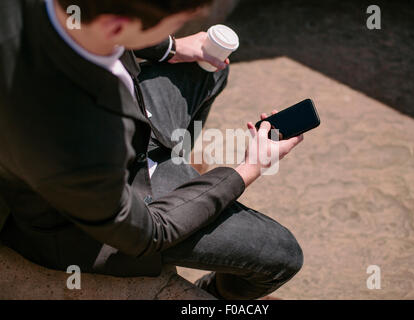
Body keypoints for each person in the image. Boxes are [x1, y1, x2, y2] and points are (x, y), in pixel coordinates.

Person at [0, 0, 304, 300]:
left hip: (132, 129)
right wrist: (250, 166)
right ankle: (215, 295)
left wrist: (170, 47)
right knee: (283, 255)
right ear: (117, 26)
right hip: (108, 214)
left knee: (211, 67)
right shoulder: (79, 143)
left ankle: (176, 168)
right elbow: (148, 232)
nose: (183, 27)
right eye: (175, 23)